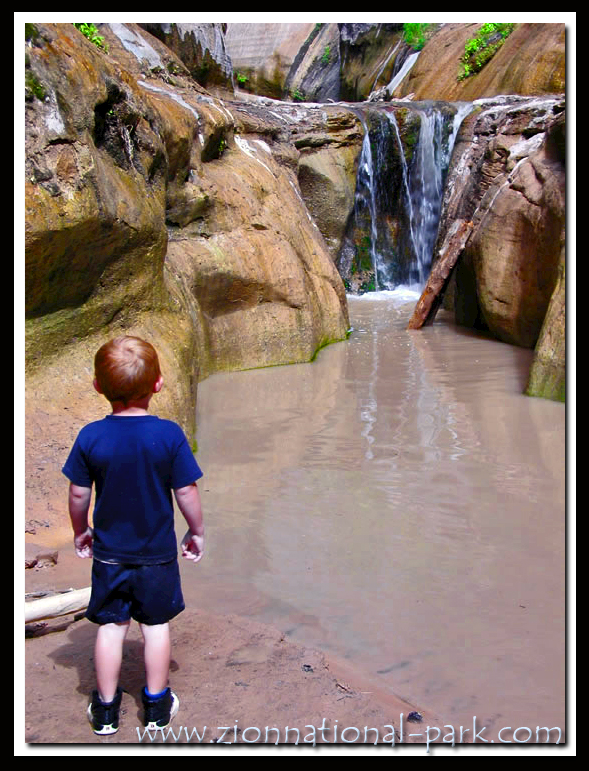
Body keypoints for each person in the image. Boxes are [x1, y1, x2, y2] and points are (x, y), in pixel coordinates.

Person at [62, 335, 205, 736]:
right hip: (157, 555)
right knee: (155, 626)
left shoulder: (91, 436)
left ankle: (106, 710)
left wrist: (80, 531)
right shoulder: (169, 435)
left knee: (111, 626)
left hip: (110, 554)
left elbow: (78, 493)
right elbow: (186, 490)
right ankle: (156, 707)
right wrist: (196, 531)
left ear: (98, 386)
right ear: (158, 383)